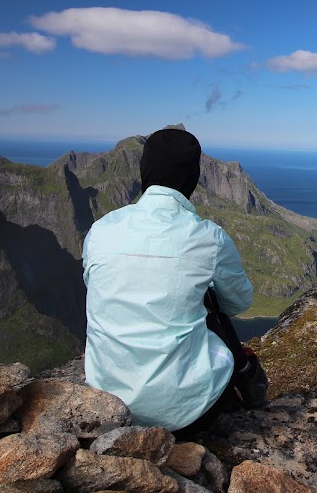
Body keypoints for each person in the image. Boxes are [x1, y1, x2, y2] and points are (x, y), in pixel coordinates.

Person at [82, 127, 269, 434]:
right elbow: (239, 302)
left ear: (143, 171)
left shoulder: (101, 230)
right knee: (209, 304)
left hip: (106, 403)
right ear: (193, 178)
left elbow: (93, 283)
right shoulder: (209, 238)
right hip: (185, 415)